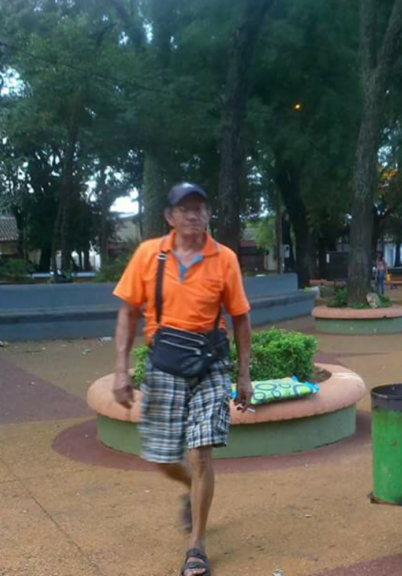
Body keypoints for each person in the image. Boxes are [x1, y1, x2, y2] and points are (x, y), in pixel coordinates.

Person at [111, 182, 252, 576]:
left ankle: (197, 547)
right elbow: (127, 314)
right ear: (169, 217)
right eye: (184, 209)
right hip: (164, 365)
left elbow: (240, 317)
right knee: (160, 456)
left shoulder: (224, 259)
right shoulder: (147, 255)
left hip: (209, 364)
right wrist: (121, 370)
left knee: (202, 452)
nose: (193, 215)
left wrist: (243, 374)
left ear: (208, 214)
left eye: (200, 208)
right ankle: (191, 489)